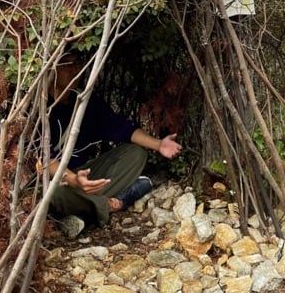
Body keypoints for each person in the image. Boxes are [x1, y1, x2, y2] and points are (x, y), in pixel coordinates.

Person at [45, 54, 182, 238]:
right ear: (52, 70)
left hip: (84, 173)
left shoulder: (85, 102)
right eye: (67, 65)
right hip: (55, 179)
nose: (75, 71)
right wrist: (73, 180)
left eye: (77, 64)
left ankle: (84, 208)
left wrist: (159, 145)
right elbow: (43, 161)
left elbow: (120, 128)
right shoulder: (38, 108)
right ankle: (113, 203)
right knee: (55, 195)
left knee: (135, 154)